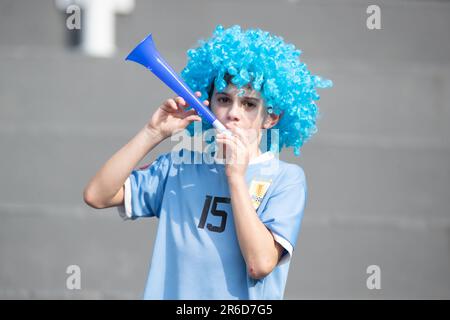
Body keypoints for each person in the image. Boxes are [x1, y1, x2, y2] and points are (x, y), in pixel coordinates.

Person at [83, 25, 332, 299]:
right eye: (224, 99)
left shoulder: (287, 178)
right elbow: (97, 195)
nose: (233, 113)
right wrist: (152, 133)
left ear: (271, 118)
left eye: (248, 104)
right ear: (209, 105)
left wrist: (236, 178)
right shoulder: (177, 166)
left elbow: (259, 264)